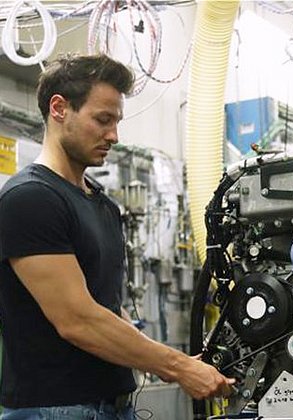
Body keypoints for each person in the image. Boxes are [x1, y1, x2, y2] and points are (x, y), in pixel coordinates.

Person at [0, 54, 233, 419]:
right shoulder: (31, 199)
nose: (114, 135)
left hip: (110, 406)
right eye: (102, 120)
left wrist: (172, 360)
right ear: (59, 109)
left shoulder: (102, 204)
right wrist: (179, 368)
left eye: (116, 121)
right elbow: (77, 319)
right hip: (55, 410)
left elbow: (107, 307)